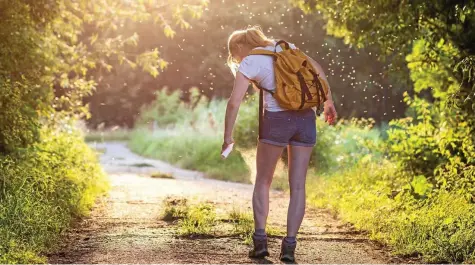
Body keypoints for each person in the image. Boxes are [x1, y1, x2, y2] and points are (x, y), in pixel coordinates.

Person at [222, 26, 337, 262]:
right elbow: (318, 70)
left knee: (263, 181)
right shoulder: (287, 48)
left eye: (235, 55)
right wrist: (328, 102)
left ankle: (261, 244)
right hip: (305, 119)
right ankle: (289, 249)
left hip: (276, 121)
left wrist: (227, 136)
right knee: (298, 186)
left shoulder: (251, 61)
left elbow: (234, 103)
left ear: (239, 48)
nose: (237, 60)